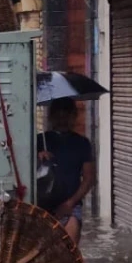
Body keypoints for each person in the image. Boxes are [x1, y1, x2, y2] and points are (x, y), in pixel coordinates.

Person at [37, 97, 95, 245]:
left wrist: (70, 204)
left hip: (71, 207)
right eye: (59, 116)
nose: (62, 120)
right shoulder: (39, 141)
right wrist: (38, 158)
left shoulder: (82, 143)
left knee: (69, 254)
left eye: (66, 116)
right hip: (42, 206)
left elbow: (89, 179)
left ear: (74, 116)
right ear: (51, 117)